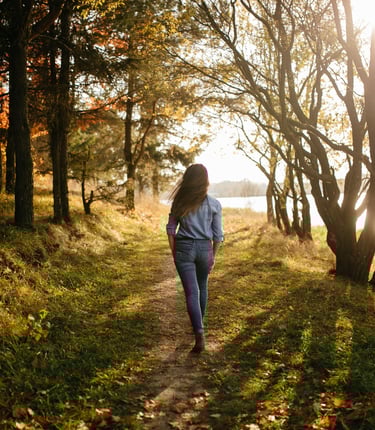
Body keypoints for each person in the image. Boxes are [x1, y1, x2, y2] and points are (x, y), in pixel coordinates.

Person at [166, 164, 224, 353]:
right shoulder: (214, 204)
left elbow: (170, 230)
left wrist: (174, 252)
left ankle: (198, 333)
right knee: (202, 288)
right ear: (205, 181)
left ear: (187, 180)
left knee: (192, 292)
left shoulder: (179, 202)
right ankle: (199, 330)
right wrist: (213, 255)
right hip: (204, 249)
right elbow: (218, 235)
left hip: (184, 248)